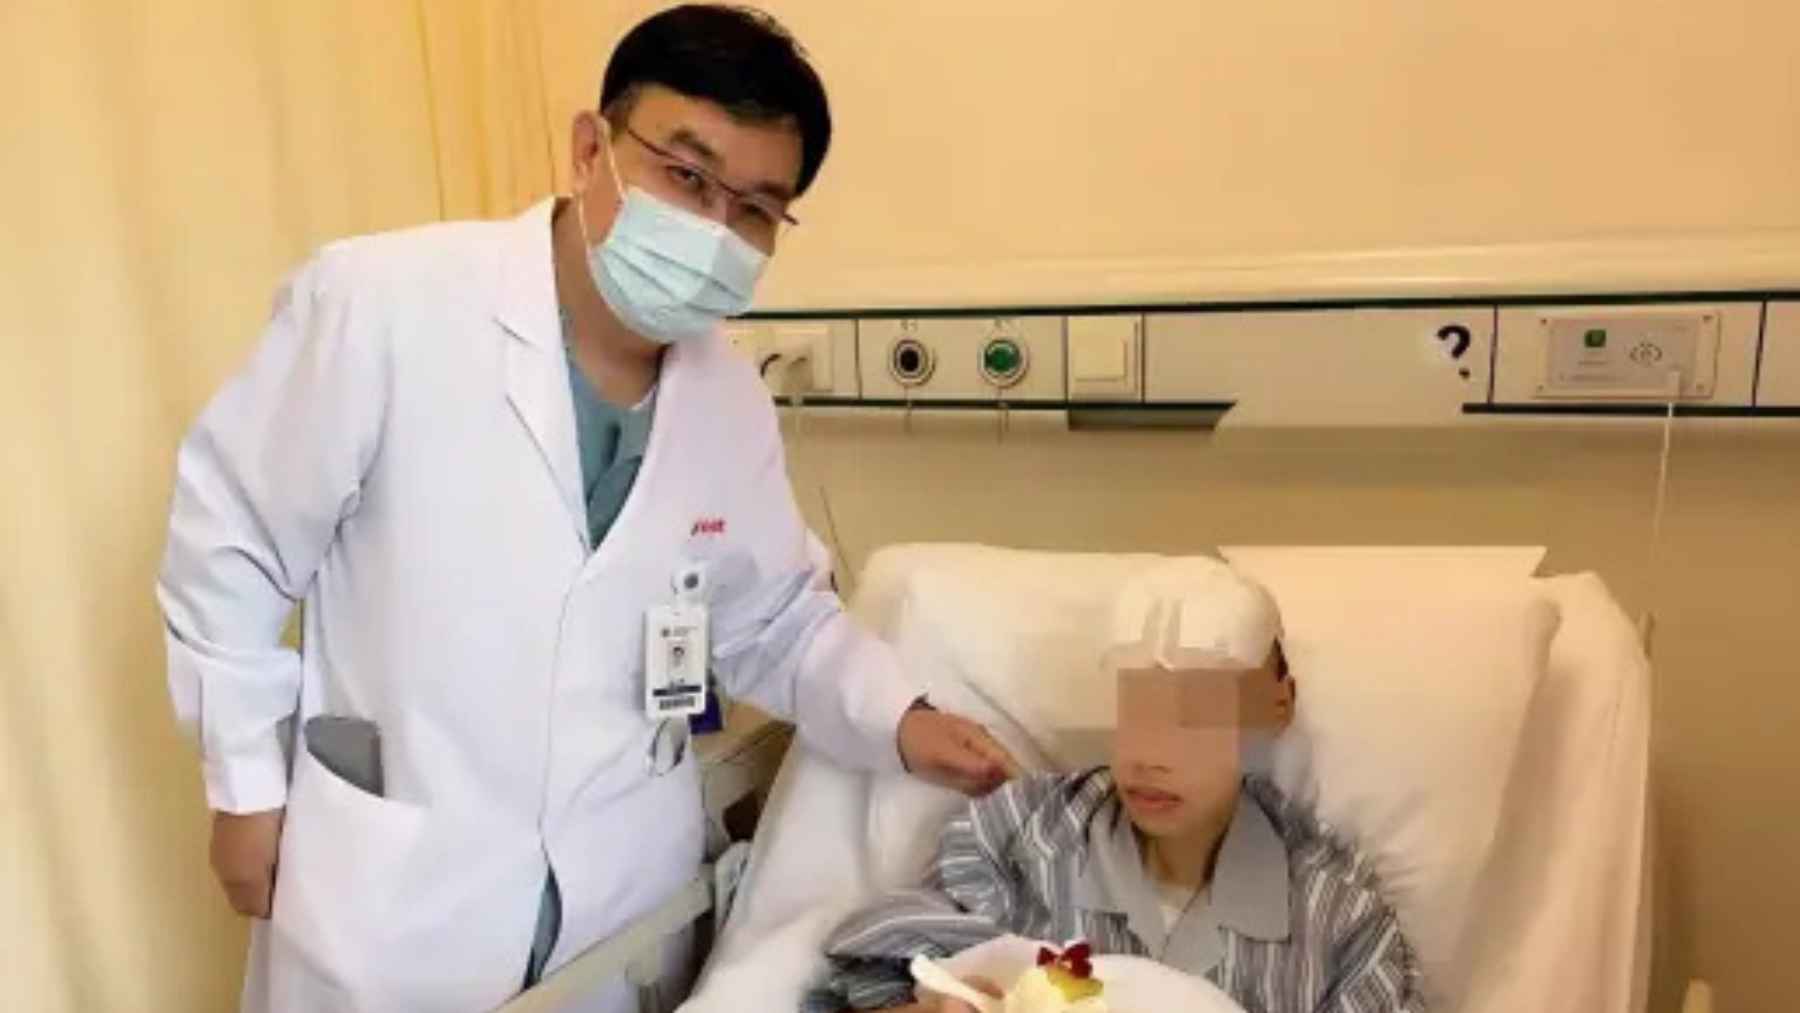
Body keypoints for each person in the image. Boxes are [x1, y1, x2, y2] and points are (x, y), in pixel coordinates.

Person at [155, 6, 1018, 1011]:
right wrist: (245, 786)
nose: (711, 228)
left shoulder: (728, 401)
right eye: (686, 176)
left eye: (753, 209)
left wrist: (901, 716)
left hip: (614, 903)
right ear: (589, 147)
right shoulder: (385, 303)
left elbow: (773, 618)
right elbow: (232, 543)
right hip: (397, 899)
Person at [806, 563, 1426, 1013]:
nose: (1149, 754)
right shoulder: (1024, 835)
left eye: (1193, 714)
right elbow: (871, 973)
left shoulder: (1337, 920)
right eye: (1136, 709)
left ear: (1274, 707)